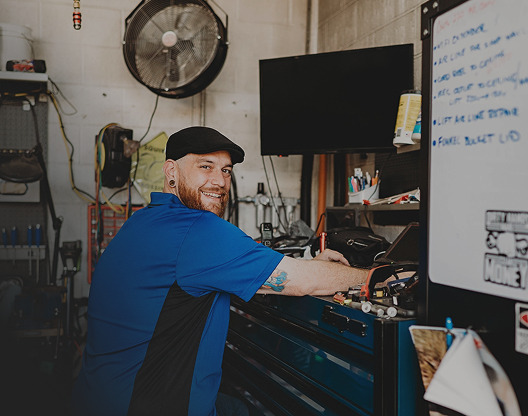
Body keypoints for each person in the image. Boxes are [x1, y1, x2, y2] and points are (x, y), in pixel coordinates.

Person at [71, 126, 368, 416]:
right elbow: (302, 283)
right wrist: (375, 277)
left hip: (102, 396)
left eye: (225, 170)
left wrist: (308, 264)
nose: (219, 180)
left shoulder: (143, 221)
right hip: (148, 405)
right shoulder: (198, 229)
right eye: (206, 166)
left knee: (238, 407)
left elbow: (226, 263)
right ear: (171, 171)